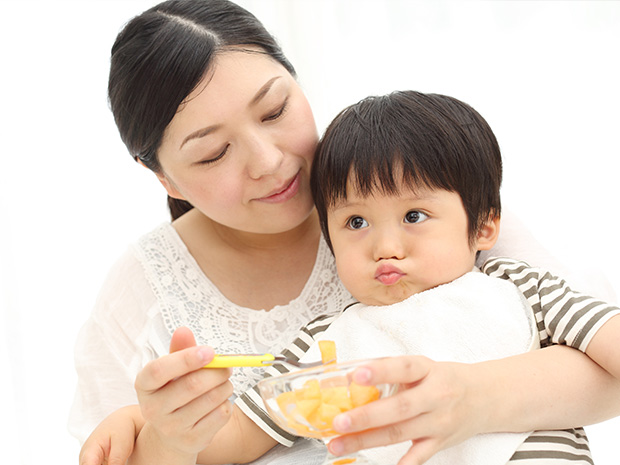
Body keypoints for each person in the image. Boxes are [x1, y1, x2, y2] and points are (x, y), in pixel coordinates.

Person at [71, 1, 620, 465]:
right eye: (214, 153)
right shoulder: (142, 295)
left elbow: (601, 371)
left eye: (275, 109)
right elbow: (214, 441)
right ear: (162, 176)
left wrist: (469, 398)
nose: (269, 161)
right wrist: (159, 432)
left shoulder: (420, 188)